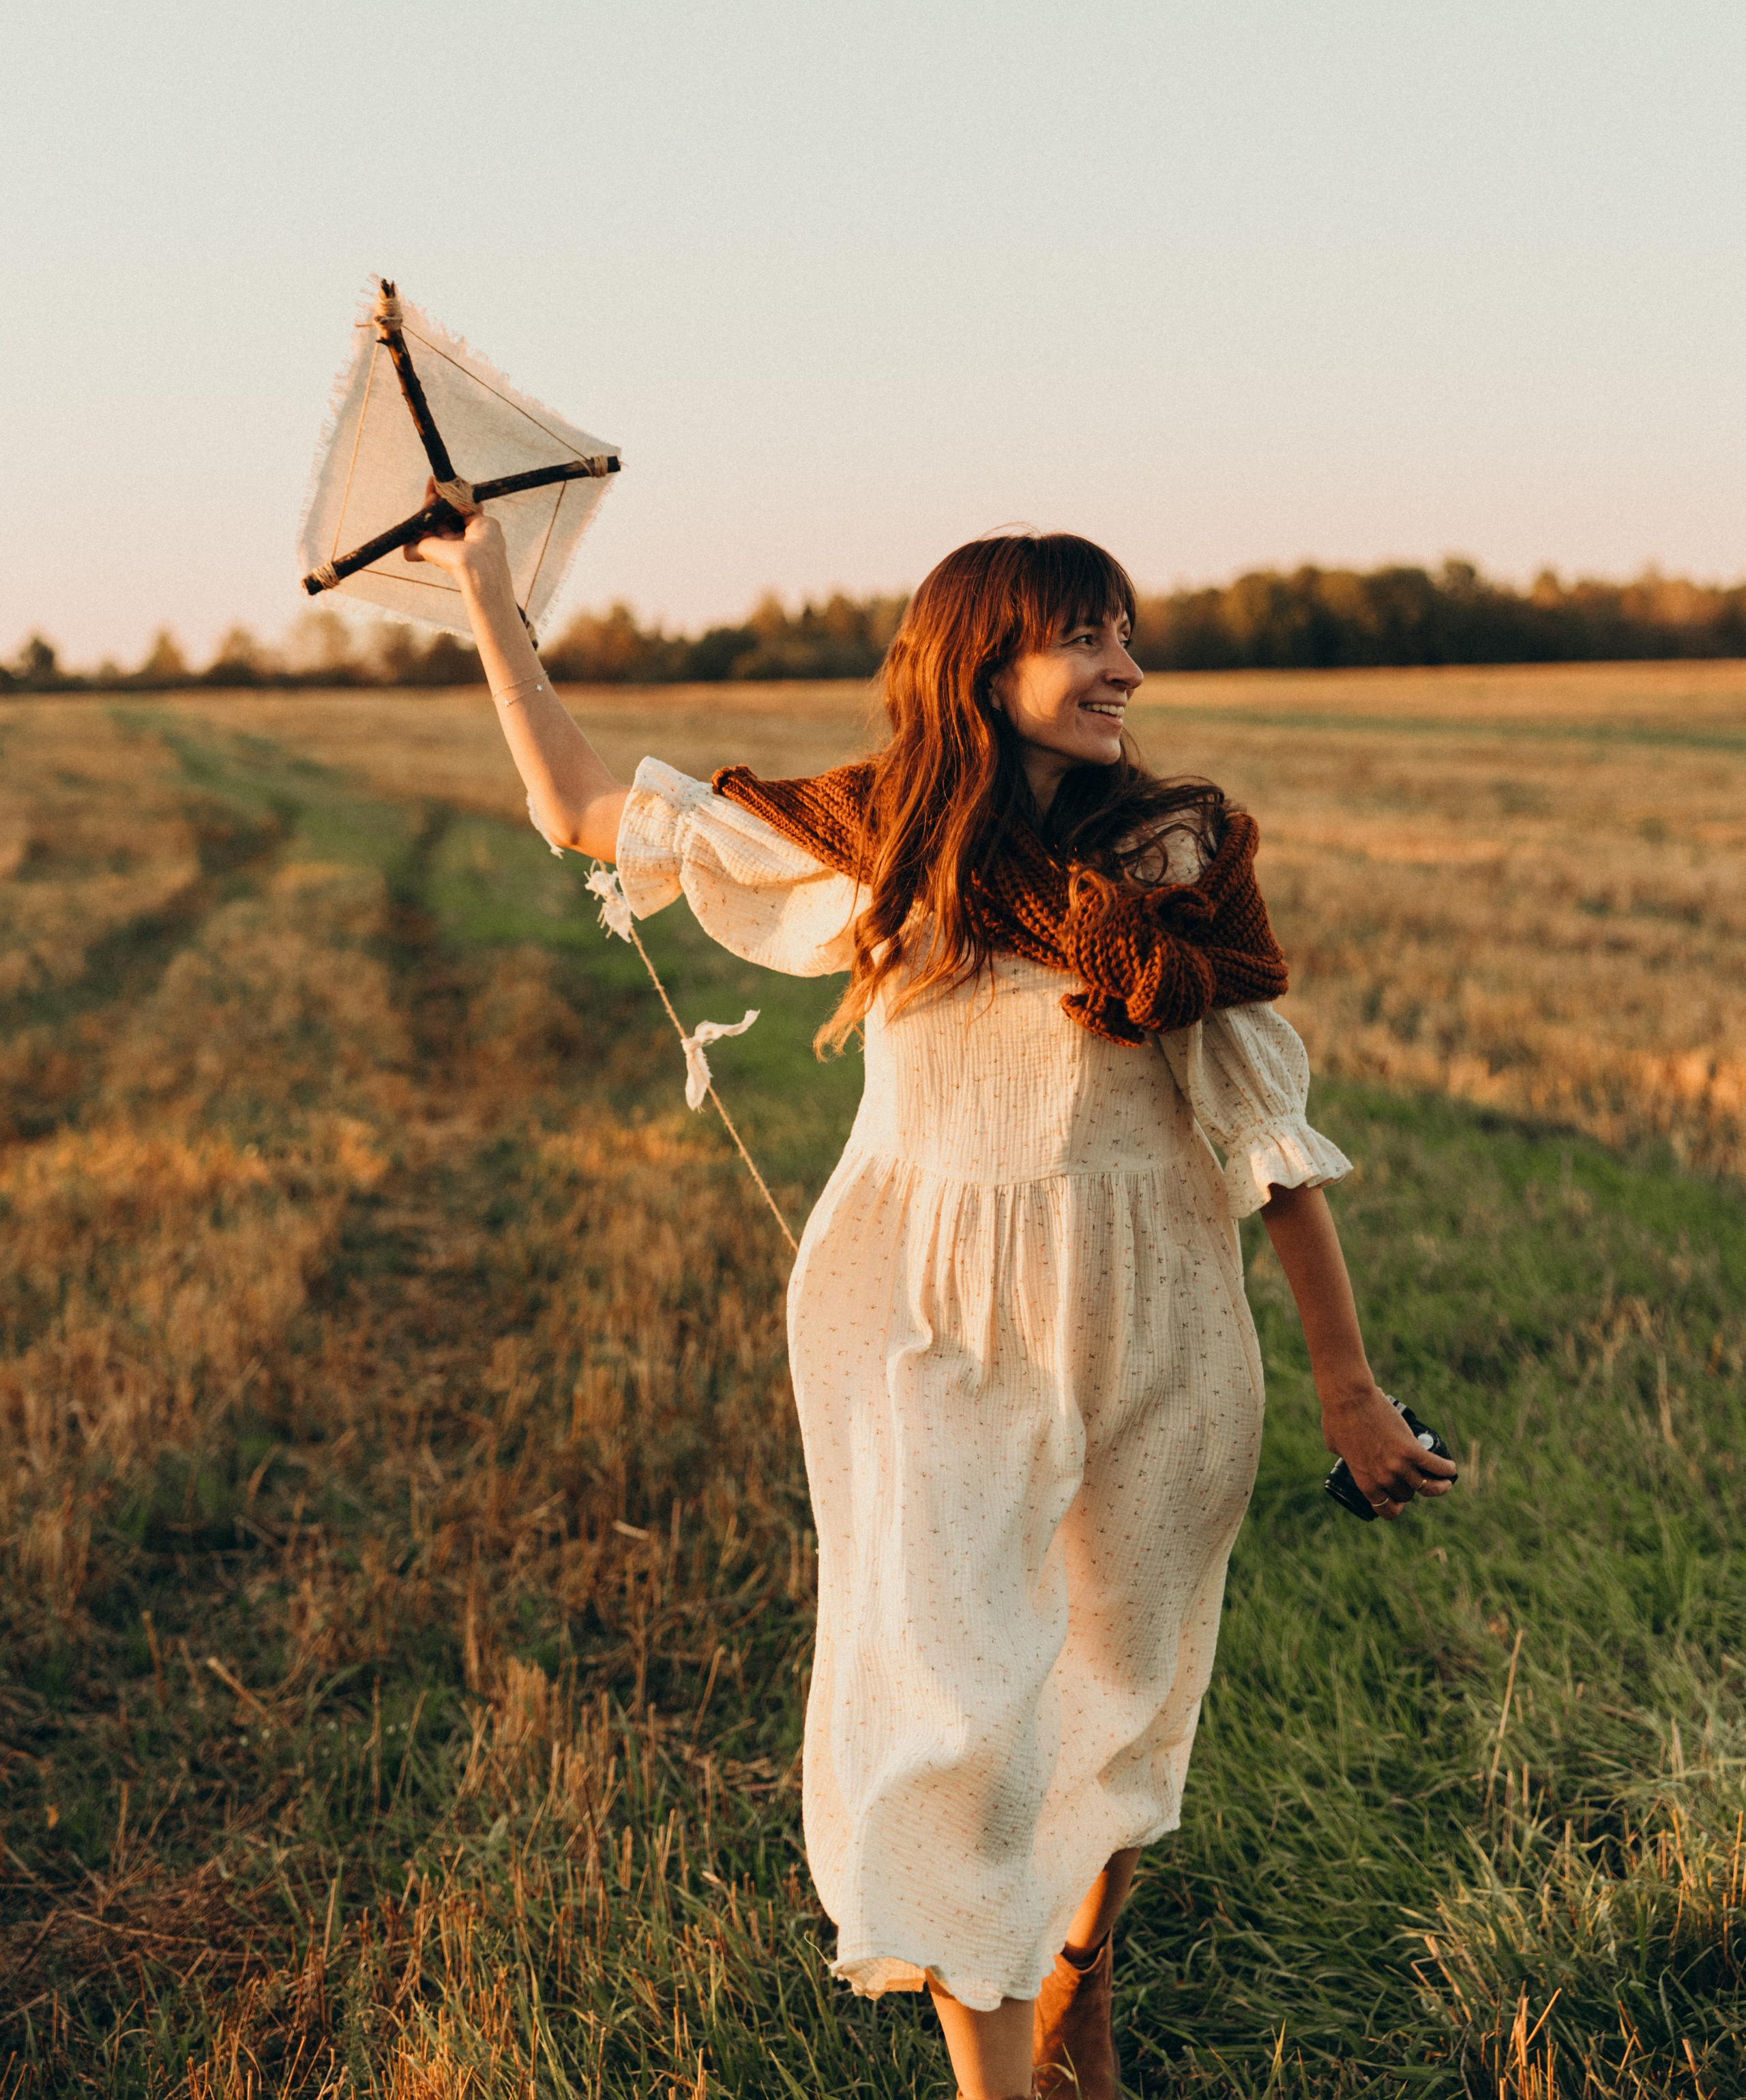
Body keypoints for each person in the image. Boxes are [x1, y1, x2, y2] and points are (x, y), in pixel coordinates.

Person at [413, 504, 1457, 2100]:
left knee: (1112, 1722)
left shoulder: (1171, 854)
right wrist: (490, 596)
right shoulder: (868, 845)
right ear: (981, 662)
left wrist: (1346, 1390)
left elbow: (1267, 1144)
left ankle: (1074, 2006)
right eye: (1085, 635)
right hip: (925, 1324)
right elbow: (575, 807)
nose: (1126, 664)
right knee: (951, 1720)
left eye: (1123, 631)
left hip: (1155, 1328)